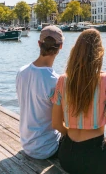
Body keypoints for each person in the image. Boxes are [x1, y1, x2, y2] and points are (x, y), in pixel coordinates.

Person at [52, 29, 106, 174]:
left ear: (75, 52)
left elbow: (56, 123)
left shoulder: (63, 80)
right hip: (94, 156)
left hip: (66, 156)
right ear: (100, 52)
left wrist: (71, 132)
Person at [15, 25, 64, 159]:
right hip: (48, 148)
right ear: (60, 46)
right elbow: (59, 122)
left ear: (39, 44)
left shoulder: (21, 72)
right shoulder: (56, 80)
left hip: (26, 145)